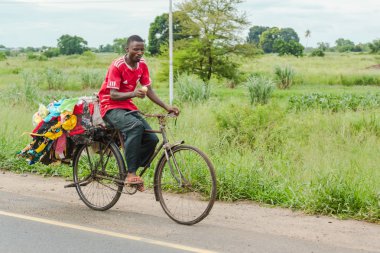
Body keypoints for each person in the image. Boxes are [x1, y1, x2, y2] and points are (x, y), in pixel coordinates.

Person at [98, 35, 179, 191]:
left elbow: (149, 90)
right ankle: (131, 173)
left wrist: (166, 106)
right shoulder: (117, 65)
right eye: (136, 49)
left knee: (152, 139)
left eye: (142, 49)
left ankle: (130, 172)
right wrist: (134, 93)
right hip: (109, 106)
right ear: (127, 49)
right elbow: (113, 94)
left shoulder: (142, 64)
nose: (140, 52)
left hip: (127, 105)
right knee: (135, 127)